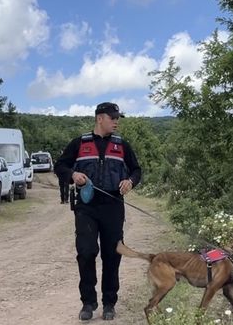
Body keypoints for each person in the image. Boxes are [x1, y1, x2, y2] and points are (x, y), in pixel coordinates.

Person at [54, 102, 142, 322]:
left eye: (117, 118)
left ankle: (109, 303)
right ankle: (88, 302)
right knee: (86, 252)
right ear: (99, 118)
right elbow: (60, 166)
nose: (116, 121)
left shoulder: (122, 146)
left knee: (112, 254)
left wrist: (130, 182)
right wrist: (73, 175)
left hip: (113, 205)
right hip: (87, 206)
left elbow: (137, 170)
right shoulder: (79, 143)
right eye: (112, 118)